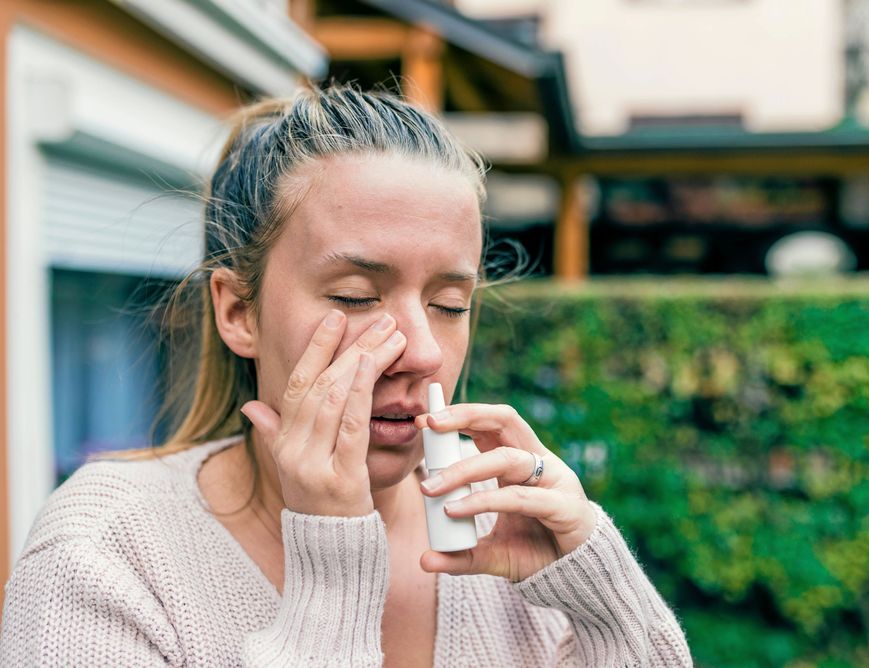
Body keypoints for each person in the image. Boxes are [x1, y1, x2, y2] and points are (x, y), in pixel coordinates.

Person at [0, 83, 692, 667]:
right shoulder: (106, 553)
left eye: (450, 304)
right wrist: (331, 575)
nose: (421, 351)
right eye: (357, 296)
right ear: (239, 311)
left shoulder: (503, 536)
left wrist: (601, 601)